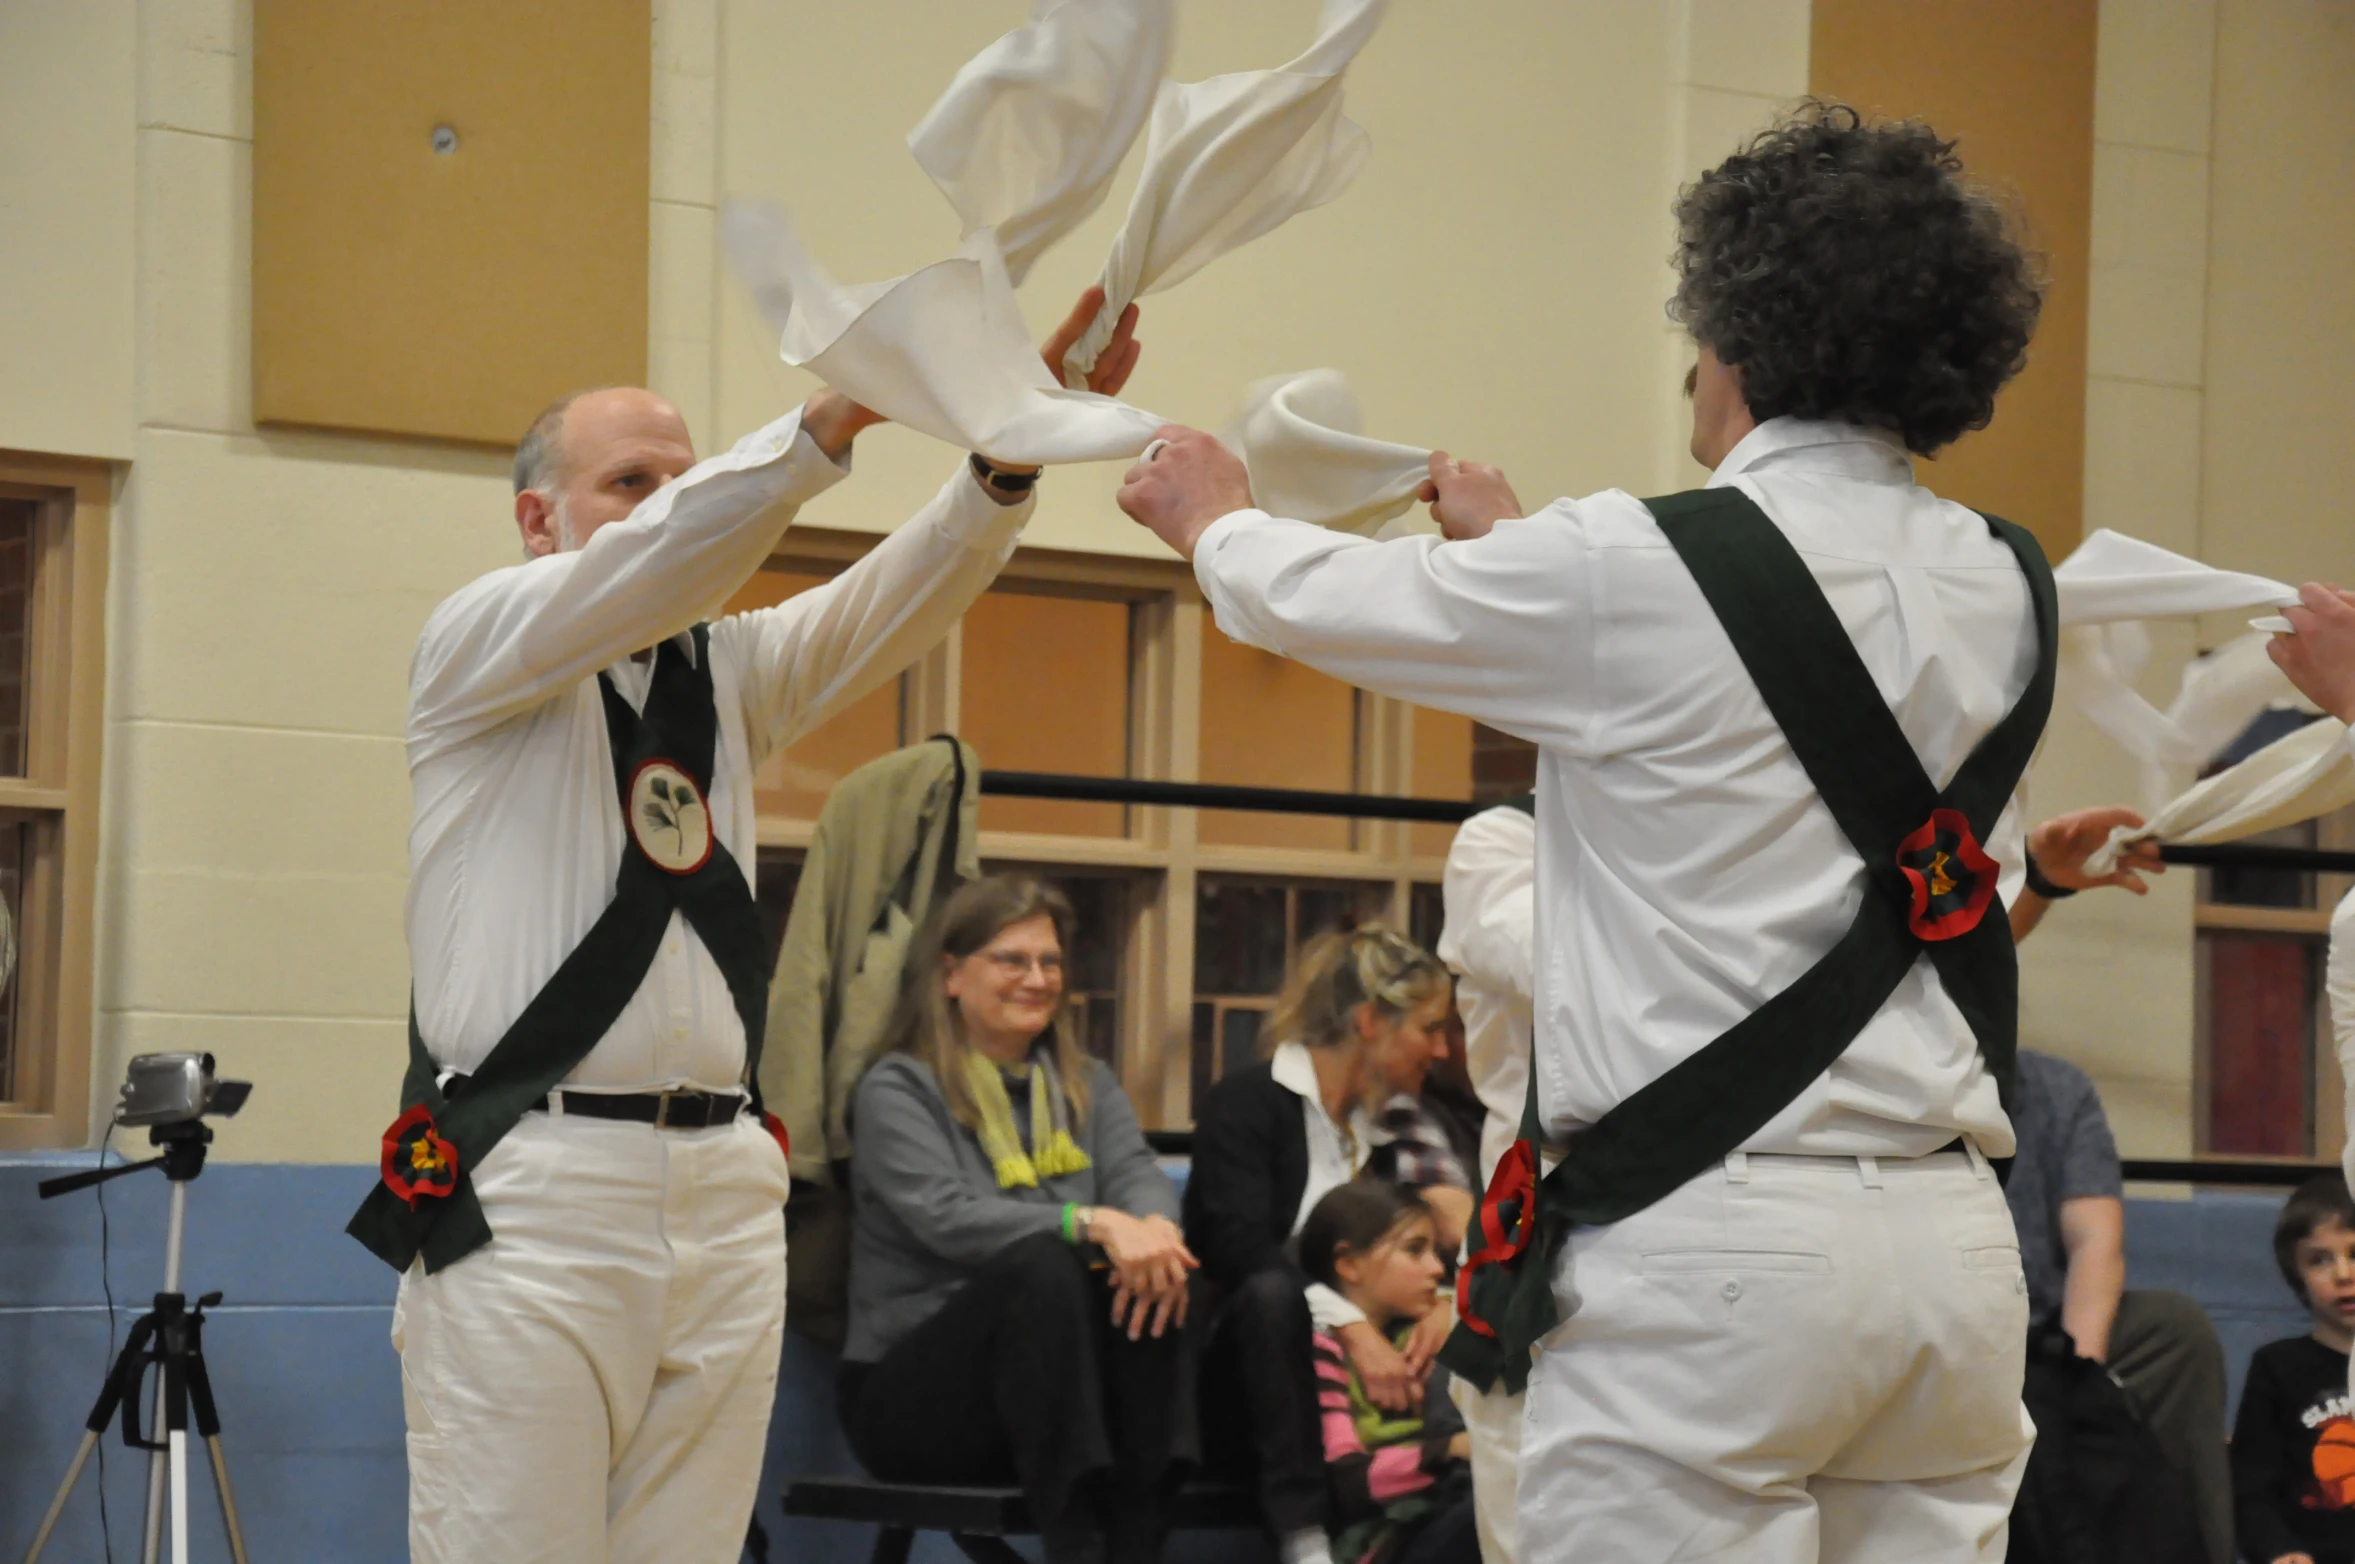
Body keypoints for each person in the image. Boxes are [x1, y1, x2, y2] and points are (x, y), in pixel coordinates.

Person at [1121, 101, 2062, 1558]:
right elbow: (1716, 704)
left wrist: (1214, 522)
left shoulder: (1635, 560)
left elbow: (1325, 601)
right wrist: (1523, 557)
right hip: (1950, 1252)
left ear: (1735, 339)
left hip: (1715, 1255)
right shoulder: (2005, 581)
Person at [352, 292, 1144, 1563]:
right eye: (628, 481)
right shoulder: (474, 648)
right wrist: (832, 415)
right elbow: (674, 555)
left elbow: (898, 597)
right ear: (536, 520)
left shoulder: (724, 673)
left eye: (683, 475)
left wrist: (1005, 453)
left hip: (724, 1192)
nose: (665, 500)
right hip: (537, 1194)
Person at [1433, 796, 2165, 1564]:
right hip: (1566, 1266)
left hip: (1797, 1245)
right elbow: (1599, 975)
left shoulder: (1762, 819)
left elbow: (1890, 976)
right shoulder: (1505, 841)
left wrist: (2029, 886)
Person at [840, 874, 1196, 1564]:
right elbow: (946, 1217)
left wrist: (1156, 1232)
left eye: (1050, 961)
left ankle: (1139, 1543)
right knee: (1043, 1265)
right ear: (950, 974)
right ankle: (1078, 1551)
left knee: (1171, 1275)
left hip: (1061, 1393)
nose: (1037, 978)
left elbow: (1139, 1177)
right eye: (1012, 959)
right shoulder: (897, 1086)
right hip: (915, 1400)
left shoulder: (1086, 1081)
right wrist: (1090, 1222)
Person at [1185, 924, 1455, 1564]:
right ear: (1369, 1022)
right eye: (1428, 1028)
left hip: (1360, 1386)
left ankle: (1457, 1498)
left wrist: (1444, 1302)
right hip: (1244, 1380)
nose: (1442, 1049)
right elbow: (1232, 1242)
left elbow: (1409, 1252)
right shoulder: (1248, 1102)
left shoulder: (1384, 1132)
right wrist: (1351, 1322)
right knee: (1274, 1292)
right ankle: (1303, 1537)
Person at [2004, 1046, 2231, 1561]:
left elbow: (2095, 1242)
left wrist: (2079, 1374)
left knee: (2175, 1331)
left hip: (2047, 1336)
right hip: (1940, 1331)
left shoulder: (2055, 1088)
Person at [1299, 1181, 1480, 1564]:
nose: (1436, 1268)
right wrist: (1452, 1450)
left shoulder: (1428, 1332)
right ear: (1348, 1264)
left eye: (1436, 1253)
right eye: (1415, 1250)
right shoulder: (1322, 1350)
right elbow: (1348, 1484)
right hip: (1381, 1539)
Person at [2233, 1173, 2355, 1564]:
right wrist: (2279, 1550)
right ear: (2296, 1275)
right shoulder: (2278, 1368)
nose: (2343, 1274)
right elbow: (2252, 1489)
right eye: (2320, 1259)